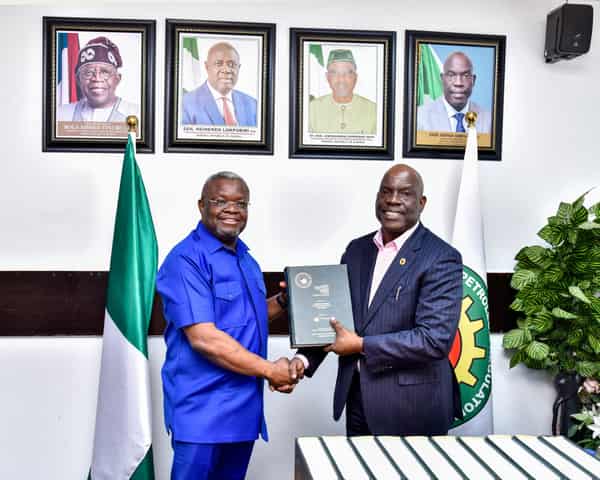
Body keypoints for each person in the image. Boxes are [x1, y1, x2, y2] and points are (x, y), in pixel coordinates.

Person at [287, 164, 463, 436]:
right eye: (386, 191)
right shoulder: (356, 250)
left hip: (413, 407)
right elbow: (338, 318)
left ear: (421, 202)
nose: (393, 200)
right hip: (358, 399)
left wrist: (360, 345)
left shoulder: (441, 257)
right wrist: (303, 359)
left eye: (405, 193)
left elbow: (433, 339)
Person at [156, 171, 295, 480]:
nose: (232, 209)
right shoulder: (186, 260)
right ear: (201, 205)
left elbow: (248, 318)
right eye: (220, 201)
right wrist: (271, 370)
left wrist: (286, 301)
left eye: (240, 203)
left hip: (243, 410)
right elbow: (204, 338)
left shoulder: (246, 259)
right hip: (201, 412)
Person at [56, 36, 139, 122]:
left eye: (105, 72)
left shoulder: (137, 114)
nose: (97, 78)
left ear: (117, 79)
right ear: (78, 80)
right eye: (88, 73)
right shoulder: (60, 115)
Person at [182, 42, 257, 126]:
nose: (226, 70)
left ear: (238, 68)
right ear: (207, 67)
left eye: (231, 64)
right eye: (219, 64)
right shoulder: (185, 104)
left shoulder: (253, 104)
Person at [417, 51, 492, 133]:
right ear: (442, 79)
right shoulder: (420, 117)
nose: (458, 83)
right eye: (451, 75)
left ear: (473, 80)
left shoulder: (489, 120)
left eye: (465, 75)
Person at [309, 49, 377, 134]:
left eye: (348, 73)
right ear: (327, 77)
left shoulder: (374, 111)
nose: (341, 79)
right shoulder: (312, 109)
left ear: (355, 77)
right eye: (334, 73)